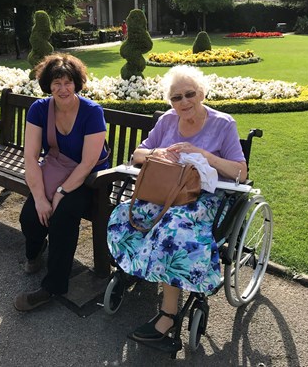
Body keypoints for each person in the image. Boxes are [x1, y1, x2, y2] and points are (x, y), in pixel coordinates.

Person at [106, 65, 248, 341]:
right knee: (126, 215)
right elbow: (138, 154)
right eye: (176, 97)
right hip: (165, 192)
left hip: (206, 198)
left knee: (172, 229)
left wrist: (204, 155)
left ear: (202, 93)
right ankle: (137, 268)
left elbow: (241, 172)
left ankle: (169, 315)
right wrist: (157, 152)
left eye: (189, 94)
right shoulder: (167, 122)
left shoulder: (223, 124)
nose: (183, 102)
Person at [14, 53, 109, 312]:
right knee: (31, 216)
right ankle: (35, 252)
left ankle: (52, 287)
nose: (63, 88)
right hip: (56, 168)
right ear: (48, 85)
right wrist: (42, 198)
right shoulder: (40, 109)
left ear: (77, 83)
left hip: (90, 179)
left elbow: (88, 163)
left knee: (63, 215)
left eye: (68, 82)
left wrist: (59, 194)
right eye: (56, 83)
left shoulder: (91, 112)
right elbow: (31, 157)